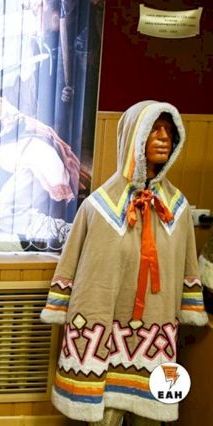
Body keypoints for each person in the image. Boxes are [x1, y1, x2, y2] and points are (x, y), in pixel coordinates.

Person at [39, 101, 211, 425]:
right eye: (154, 130)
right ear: (134, 137)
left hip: (155, 331)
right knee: (105, 415)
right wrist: (60, 304)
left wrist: (191, 305)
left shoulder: (176, 208)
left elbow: (187, 262)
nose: (164, 138)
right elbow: (73, 261)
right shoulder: (98, 207)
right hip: (102, 329)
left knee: (150, 416)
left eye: (169, 131)